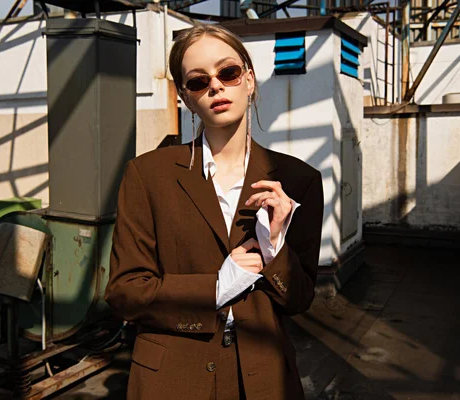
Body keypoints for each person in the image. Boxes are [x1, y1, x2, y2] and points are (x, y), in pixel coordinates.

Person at [105, 23, 324, 400]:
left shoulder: (297, 180)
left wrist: (273, 251)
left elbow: (300, 298)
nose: (215, 86)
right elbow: (124, 291)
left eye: (228, 72)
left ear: (250, 79)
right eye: (197, 81)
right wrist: (217, 287)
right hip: (171, 380)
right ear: (187, 99)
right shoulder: (147, 175)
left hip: (264, 381)